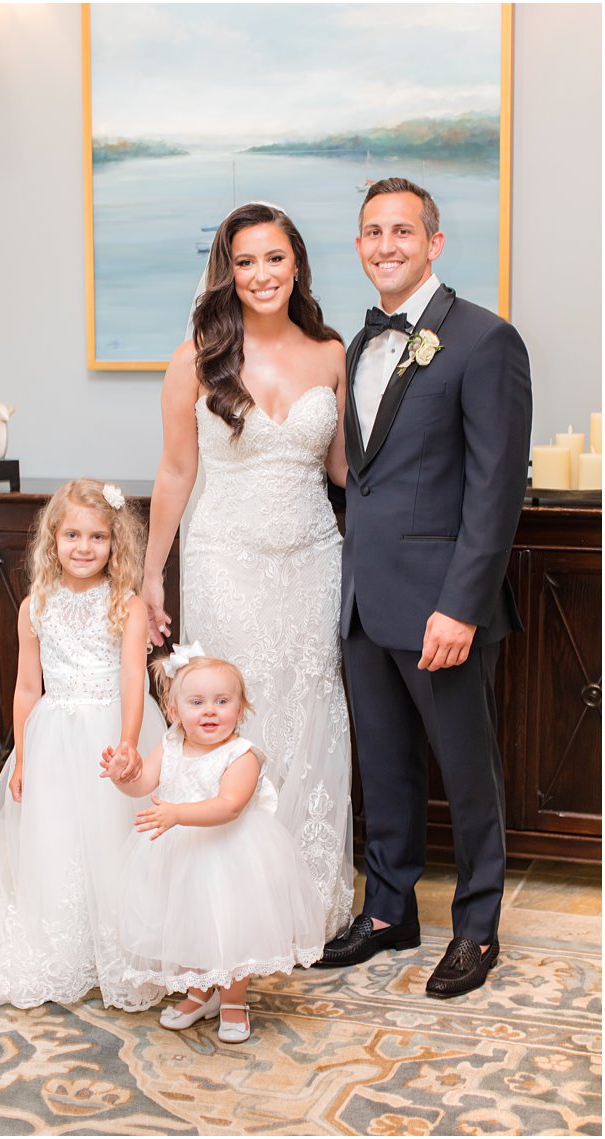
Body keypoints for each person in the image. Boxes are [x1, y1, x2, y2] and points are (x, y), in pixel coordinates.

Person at [317, 178, 531, 998]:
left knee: (466, 768)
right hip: (365, 600)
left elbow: (495, 486)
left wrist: (462, 604)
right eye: (371, 231)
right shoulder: (355, 347)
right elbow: (360, 478)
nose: (385, 245)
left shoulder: (484, 340)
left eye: (402, 230)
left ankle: (477, 926)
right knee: (385, 763)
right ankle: (388, 909)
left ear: (434, 242)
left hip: (441, 603)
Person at [141, 201, 354, 940]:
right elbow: (173, 473)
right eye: (245, 261)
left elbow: (344, 470)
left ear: (296, 263)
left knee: (308, 715)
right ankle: (232, 912)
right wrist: (150, 577)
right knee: (232, 721)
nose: (262, 274)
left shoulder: (331, 353)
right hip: (224, 561)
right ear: (227, 272)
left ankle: (305, 899)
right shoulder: (195, 358)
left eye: (274, 258)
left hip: (312, 562)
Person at [0, 479, 166, 1011]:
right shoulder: (34, 606)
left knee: (114, 835)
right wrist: (21, 757)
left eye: (97, 537)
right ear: (53, 539)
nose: (84, 547)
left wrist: (129, 744)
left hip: (110, 733)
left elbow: (135, 679)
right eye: (72, 535)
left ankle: (119, 941)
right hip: (53, 737)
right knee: (58, 837)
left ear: (116, 545)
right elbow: (26, 687)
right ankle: (65, 943)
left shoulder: (127, 607)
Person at [109, 648, 326, 1043]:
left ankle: (232, 1000)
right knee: (188, 924)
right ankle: (199, 992)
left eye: (222, 702)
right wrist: (122, 777)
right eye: (196, 702)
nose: (209, 711)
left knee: (230, 927)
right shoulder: (171, 744)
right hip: (180, 856)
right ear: (174, 712)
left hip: (229, 857)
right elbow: (143, 785)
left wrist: (176, 814)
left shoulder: (242, 756)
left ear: (241, 709)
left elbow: (229, 807)